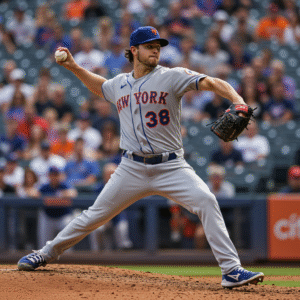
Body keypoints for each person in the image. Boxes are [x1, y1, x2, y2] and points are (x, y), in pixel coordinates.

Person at [18, 26, 264, 289]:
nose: (156, 49)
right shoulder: (120, 84)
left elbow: (212, 82)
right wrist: (75, 68)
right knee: (94, 216)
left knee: (206, 200)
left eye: (158, 46)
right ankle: (46, 253)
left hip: (171, 166)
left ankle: (231, 270)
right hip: (131, 167)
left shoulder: (172, 76)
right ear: (134, 51)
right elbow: (101, 87)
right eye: (150, 46)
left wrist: (237, 99)